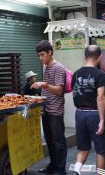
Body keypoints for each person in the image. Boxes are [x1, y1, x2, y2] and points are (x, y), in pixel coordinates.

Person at [71, 45, 105, 174]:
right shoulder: (100, 74)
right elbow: (100, 98)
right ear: (99, 57)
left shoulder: (76, 74)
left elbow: (76, 93)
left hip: (79, 114)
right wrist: (102, 120)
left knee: (83, 148)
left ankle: (76, 171)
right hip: (94, 114)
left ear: (84, 57)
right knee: (101, 150)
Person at [31, 41, 67, 175]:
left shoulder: (58, 67)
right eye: (38, 56)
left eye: (42, 55)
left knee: (58, 141)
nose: (40, 58)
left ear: (50, 53)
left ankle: (60, 169)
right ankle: (53, 165)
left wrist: (44, 85)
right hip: (46, 109)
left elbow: (59, 90)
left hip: (55, 110)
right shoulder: (47, 67)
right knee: (50, 141)